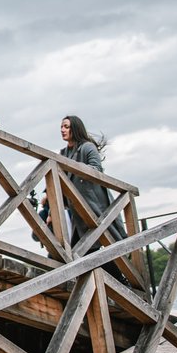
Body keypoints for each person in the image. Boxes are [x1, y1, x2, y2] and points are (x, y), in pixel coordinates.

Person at [58, 116, 129, 275]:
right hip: (77, 209)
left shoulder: (87, 147)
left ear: (75, 128)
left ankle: (120, 278)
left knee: (106, 243)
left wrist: (76, 167)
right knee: (81, 251)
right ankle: (102, 283)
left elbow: (96, 169)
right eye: (61, 127)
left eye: (66, 126)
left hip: (95, 204)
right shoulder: (64, 153)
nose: (62, 130)